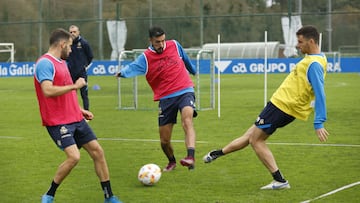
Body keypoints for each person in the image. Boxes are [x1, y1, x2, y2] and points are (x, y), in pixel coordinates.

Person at [203, 25, 329, 190]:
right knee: (250, 135)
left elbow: (320, 94)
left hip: (282, 107)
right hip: (279, 105)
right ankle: (217, 154)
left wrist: (319, 122)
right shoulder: (319, 58)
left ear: (311, 41)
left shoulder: (314, 64)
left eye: (300, 42)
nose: (297, 46)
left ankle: (280, 180)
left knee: (256, 140)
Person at [34, 28, 122, 203]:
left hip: (75, 118)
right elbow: (48, 90)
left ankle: (109, 197)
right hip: (58, 122)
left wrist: (80, 109)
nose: (72, 50)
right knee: (74, 157)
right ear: (62, 44)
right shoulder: (45, 63)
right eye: (70, 46)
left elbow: (67, 93)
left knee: (98, 152)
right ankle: (49, 194)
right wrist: (75, 86)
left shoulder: (62, 63)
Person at [116, 26, 197, 171]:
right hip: (166, 98)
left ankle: (190, 157)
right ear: (151, 41)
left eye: (163, 41)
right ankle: (172, 161)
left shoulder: (174, 45)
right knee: (164, 141)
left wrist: (193, 72)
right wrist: (122, 73)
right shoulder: (145, 58)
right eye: (157, 42)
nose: (161, 45)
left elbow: (185, 59)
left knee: (187, 120)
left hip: (185, 90)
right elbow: (132, 67)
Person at [67, 25, 93, 110]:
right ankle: (72, 112)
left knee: (84, 94)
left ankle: (87, 113)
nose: (72, 34)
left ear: (78, 32)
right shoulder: (67, 44)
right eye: (71, 32)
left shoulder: (84, 43)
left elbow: (90, 56)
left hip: (81, 73)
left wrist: (84, 66)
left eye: (74, 32)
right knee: (70, 94)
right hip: (70, 72)